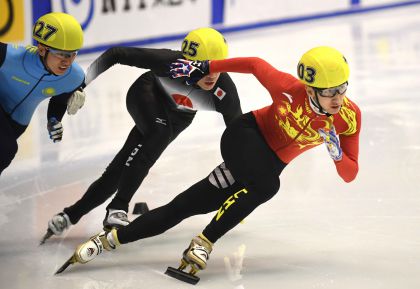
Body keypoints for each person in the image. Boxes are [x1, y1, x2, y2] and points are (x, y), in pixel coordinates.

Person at [56, 46, 361, 284]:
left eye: (342, 88)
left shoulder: (349, 118)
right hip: (244, 137)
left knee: (187, 205)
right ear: (309, 88)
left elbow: (350, 173)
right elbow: (255, 64)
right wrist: (208, 66)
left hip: (263, 166)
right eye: (329, 91)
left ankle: (108, 241)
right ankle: (204, 242)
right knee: (267, 186)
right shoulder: (287, 88)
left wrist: (337, 156)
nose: (338, 98)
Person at [41, 28, 243, 244]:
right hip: (146, 95)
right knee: (159, 132)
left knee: (119, 171)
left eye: (218, 66)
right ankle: (118, 206)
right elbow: (116, 53)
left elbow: (240, 137)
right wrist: (81, 85)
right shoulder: (171, 63)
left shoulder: (225, 92)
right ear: (187, 62)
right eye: (203, 66)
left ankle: (70, 214)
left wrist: (242, 181)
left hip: (178, 118)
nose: (212, 74)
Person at [0, 12, 86, 176]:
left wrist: (54, 120)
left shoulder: (74, 77)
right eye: (61, 54)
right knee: (6, 148)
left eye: (72, 54)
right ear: (41, 49)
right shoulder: (10, 55)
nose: (67, 61)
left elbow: (59, 101)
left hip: (16, 122)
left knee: (4, 153)